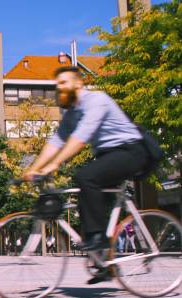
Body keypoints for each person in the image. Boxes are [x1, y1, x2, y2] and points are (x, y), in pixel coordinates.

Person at [24, 66, 149, 284]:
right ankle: (105, 264)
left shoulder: (96, 100)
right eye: (57, 85)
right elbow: (55, 142)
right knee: (88, 198)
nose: (59, 88)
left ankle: (98, 240)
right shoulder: (71, 114)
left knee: (86, 176)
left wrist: (54, 164)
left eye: (63, 83)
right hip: (108, 156)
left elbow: (80, 138)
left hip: (131, 150)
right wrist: (33, 168)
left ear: (78, 83)